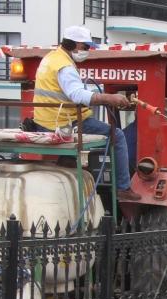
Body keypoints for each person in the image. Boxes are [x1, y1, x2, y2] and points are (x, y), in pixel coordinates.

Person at [32, 25, 141, 201]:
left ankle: (68, 164)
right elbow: (77, 95)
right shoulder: (65, 66)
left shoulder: (51, 58)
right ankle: (123, 188)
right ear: (75, 44)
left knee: (94, 133)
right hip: (64, 122)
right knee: (117, 135)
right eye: (86, 47)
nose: (87, 51)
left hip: (45, 120)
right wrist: (109, 98)